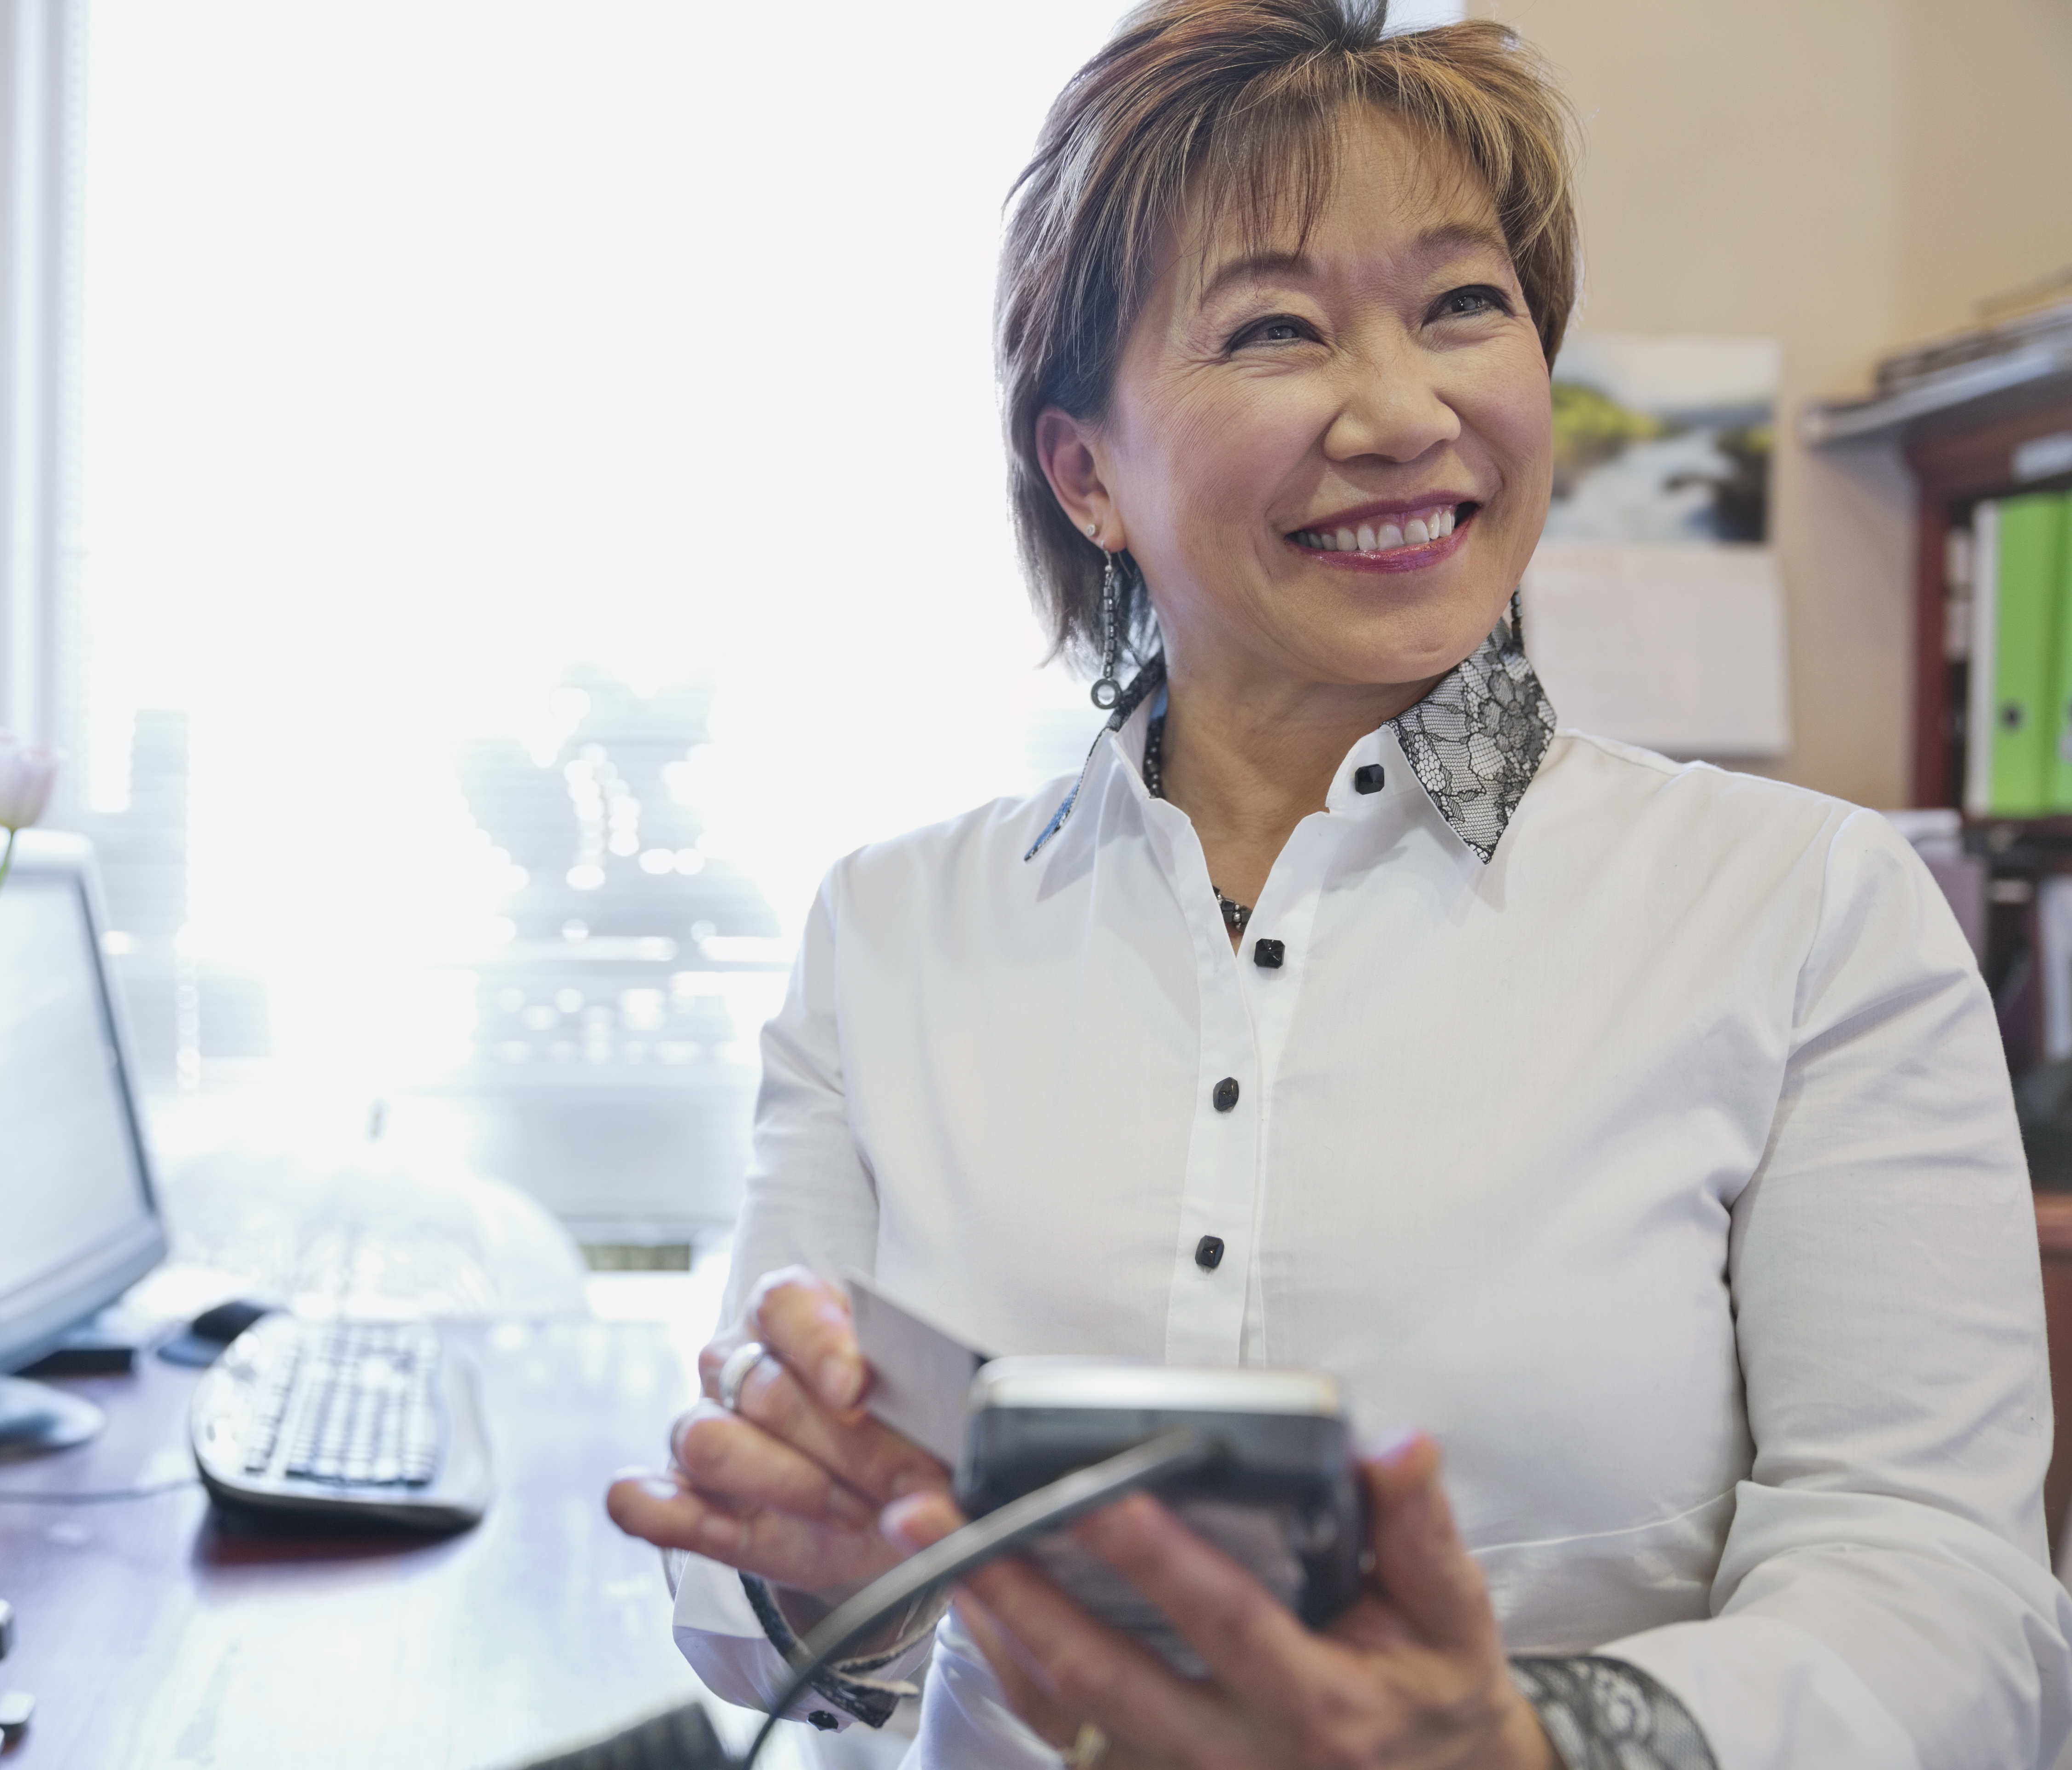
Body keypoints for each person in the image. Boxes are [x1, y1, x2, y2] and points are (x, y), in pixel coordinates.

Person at [607, 0, 2072, 1764]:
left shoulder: (1813, 917)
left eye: (1468, 304)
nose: (1401, 412)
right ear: (1087, 475)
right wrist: (834, 1562)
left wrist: (1533, 1747)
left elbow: (1949, 1598)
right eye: (1276, 328)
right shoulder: (890, 934)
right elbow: (747, 1605)